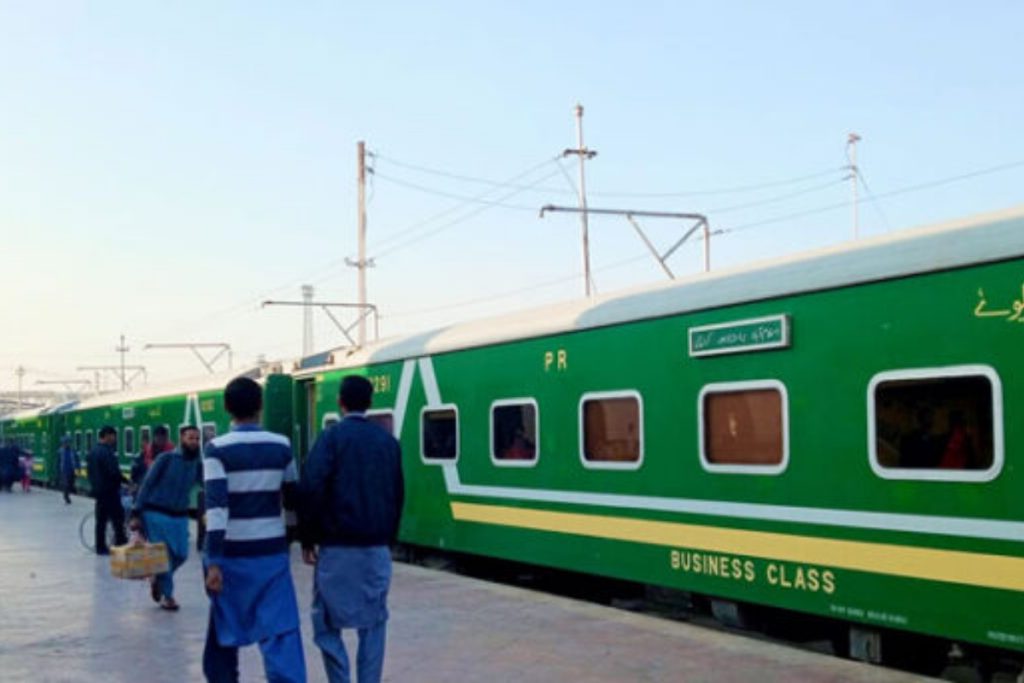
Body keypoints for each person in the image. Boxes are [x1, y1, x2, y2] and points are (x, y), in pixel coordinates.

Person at [299, 375, 404, 683]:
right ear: (369, 403)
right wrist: (389, 539)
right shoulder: (388, 442)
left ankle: (340, 678)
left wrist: (307, 539)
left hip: (337, 548)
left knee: (324, 621)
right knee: (374, 622)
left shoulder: (330, 438)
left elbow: (311, 487)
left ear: (340, 402)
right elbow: (398, 494)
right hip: (376, 549)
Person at [202, 377, 305, 683]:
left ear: (226, 408)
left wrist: (214, 561)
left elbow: (217, 509)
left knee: (224, 630)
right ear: (260, 405)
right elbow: (292, 499)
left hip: (232, 557)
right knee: (281, 632)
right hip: (272, 555)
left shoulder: (216, 449)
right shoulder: (281, 445)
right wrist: (291, 539)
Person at [130, 425, 203, 611]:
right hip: (156, 513)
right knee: (164, 557)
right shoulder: (166, 458)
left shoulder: (197, 463)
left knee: (182, 554)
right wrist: (136, 512)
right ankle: (167, 597)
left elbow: (206, 483)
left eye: (197, 438)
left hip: (180, 515)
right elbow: (147, 484)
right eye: (190, 438)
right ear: (181, 439)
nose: (194, 442)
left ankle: (158, 578)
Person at [86, 426, 128, 555]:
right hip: (110, 491)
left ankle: (100, 547)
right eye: (114, 436)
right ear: (108, 435)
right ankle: (121, 544)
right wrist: (126, 482)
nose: (115, 439)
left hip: (99, 492)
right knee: (118, 519)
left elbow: (89, 472)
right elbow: (113, 472)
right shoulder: (107, 452)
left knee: (101, 521)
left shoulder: (93, 451)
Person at [59, 436, 80, 504]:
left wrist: (78, 468)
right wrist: (58, 471)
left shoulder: (73, 451)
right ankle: (66, 497)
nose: (65, 444)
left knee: (71, 484)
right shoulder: (60, 451)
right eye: (64, 443)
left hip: (72, 470)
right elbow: (58, 461)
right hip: (64, 471)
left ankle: (67, 494)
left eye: (67, 443)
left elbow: (77, 460)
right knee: (66, 484)